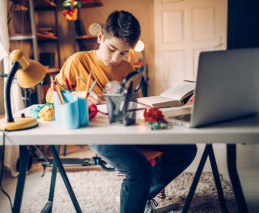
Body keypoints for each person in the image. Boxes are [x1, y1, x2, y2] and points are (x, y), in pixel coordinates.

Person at [46, 10, 197, 213]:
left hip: (127, 126)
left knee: (186, 149)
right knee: (139, 170)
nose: (116, 58)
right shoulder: (78, 61)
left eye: (124, 52)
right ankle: (138, 191)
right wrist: (78, 95)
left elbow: (138, 103)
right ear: (100, 37)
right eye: (112, 49)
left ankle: (141, 192)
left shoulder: (127, 68)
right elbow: (50, 96)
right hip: (97, 131)